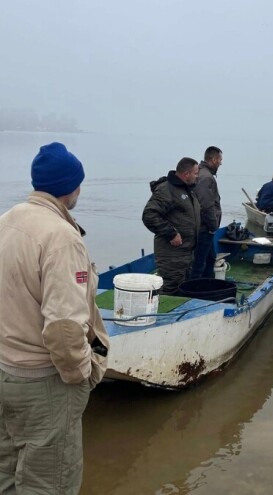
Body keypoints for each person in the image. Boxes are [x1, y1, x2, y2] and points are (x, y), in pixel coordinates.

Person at [0, 142, 110, 494]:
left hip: (5, 370)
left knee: (7, 471)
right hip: (43, 380)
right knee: (50, 483)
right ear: (72, 187)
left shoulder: (8, 220)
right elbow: (64, 328)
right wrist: (81, 375)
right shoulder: (62, 238)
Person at [142, 157, 201, 295]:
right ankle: (161, 315)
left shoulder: (186, 189)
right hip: (172, 255)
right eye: (195, 173)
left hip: (186, 253)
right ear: (186, 174)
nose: (197, 177)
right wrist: (171, 233)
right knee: (170, 289)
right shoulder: (167, 190)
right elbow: (149, 215)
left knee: (182, 288)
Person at [191, 146, 223, 279]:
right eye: (220, 160)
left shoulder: (202, 173)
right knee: (199, 264)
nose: (221, 163)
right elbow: (205, 206)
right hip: (204, 229)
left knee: (210, 260)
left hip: (205, 228)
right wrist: (213, 226)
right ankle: (194, 293)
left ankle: (207, 287)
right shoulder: (206, 177)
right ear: (214, 159)